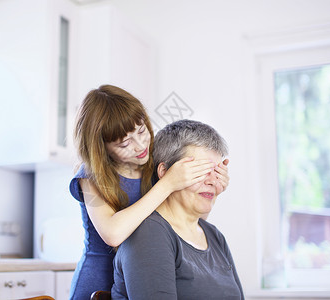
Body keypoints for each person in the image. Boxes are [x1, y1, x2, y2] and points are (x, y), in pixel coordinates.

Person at [69, 85, 230, 299]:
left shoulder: (147, 162)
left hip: (144, 271)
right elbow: (113, 234)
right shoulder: (88, 178)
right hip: (98, 282)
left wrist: (213, 190)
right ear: (101, 148)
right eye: (125, 143)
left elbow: (187, 219)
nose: (140, 145)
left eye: (142, 130)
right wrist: (168, 183)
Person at [112, 119, 244, 300]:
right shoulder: (149, 234)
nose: (213, 181)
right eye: (200, 170)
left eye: (217, 171)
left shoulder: (214, 236)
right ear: (165, 172)